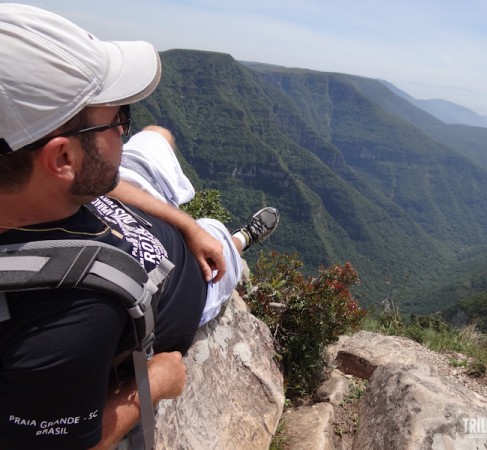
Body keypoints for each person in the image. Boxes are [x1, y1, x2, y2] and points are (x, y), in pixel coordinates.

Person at [0, 4, 279, 449]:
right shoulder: (69, 321)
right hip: (190, 280)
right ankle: (242, 240)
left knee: (158, 134)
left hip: (120, 193)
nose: (122, 129)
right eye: (117, 119)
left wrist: (185, 224)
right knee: (225, 249)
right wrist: (157, 381)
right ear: (63, 159)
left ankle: (197, 217)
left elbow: (97, 186)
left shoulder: (36, 188)